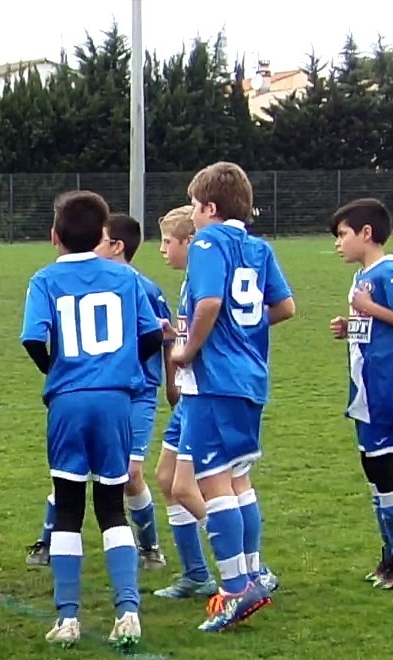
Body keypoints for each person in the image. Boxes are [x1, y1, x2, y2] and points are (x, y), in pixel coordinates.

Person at [20, 190, 163, 651]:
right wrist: (121, 367)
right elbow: (151, 335)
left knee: (67, 507)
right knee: (111, 506)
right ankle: (128, 612)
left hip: (68, 402)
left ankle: (68, 618)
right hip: (115, 401)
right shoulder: (126, 277)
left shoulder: (44, 279)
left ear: (54, 236)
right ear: (103, 234)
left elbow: (33, 339)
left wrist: (58, 372)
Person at [170, 161, 294, 632]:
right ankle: (253, 574)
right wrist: (245, 331)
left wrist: (188, 350)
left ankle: (235, 589)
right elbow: (284, 306)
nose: (192, 216)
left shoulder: (208, 242)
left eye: (194, 206)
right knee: (239, 478)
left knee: (213, 482)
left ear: (209, 207)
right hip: (250, 377)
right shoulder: (258, 247)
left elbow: (209, 302)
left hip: (215, 380)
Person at [328, 198, 393, 589]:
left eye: (342, 234)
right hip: (364, 389)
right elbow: (375, 326)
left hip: (386, 389)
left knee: (382, 468)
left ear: (366, 233)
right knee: (372, 467)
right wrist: (350, 325)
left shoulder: (388, 274)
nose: (338, 243)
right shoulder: (363, 276)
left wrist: (369, 307)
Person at [150, 205, 218, 601]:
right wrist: (173, 337)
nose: (162, 250)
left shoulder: (203, 284)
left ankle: (248, 567)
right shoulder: (190, 282)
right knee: (166, 478)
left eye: (167, 242)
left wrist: (183, 347)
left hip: (205, 395)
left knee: (188, 486)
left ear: (189, 242)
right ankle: (196, 574)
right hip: (189, 395)